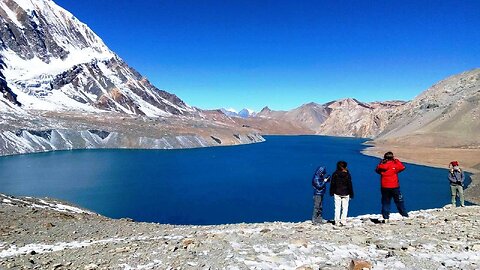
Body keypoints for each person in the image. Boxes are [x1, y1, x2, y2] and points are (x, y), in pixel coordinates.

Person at [375, 151, 409, 222]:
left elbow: (377, 170)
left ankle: (385, 217)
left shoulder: (381, 166)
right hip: (394, 186)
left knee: (385, 202)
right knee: (399, 201)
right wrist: (396, 160)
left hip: (384, 187)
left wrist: (382, 163)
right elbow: (402, 167)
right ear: (392, 157)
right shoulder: (394, 165)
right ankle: (404, 215)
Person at [330, 161, 354, 226]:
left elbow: (332, 184)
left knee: (337, 207)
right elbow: (350, 185)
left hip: (337, 192)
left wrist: (331, 192)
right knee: (345, 207)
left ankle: (336, 221)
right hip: (346, 193)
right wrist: (351, 194)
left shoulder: (335, 174)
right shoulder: (347, 175)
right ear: (345, 167)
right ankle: (343, 221)